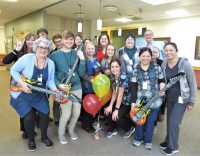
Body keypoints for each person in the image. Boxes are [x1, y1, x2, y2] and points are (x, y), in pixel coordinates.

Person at [10, 37, 56, 151]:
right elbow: (13, 70)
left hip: (39, 95)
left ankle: (44, 137)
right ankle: (31, 139)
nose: (43, 50)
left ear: (48, 50)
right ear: (36, 48)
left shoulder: (50, 63)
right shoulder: (27, 58)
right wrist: (21, 83)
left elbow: (50, 81)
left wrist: (55, 90)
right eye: (40, 47)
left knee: (45, 114)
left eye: (46, 48)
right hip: (24, 94)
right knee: (29, 116)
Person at [160, 42, 197, 155]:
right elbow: (163, 79)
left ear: (176, 51)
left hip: (182, 98)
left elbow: (193, 83)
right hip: (170, 97)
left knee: (174, 122)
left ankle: (173, 147)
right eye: (166, 50)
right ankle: (168, 141)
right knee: (169, 121)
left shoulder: (185, 64)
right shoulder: (164, 64)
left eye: (171, 50)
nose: (169, 52)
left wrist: (192, 101)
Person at [50, 31, 85, 144]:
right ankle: (61, 133)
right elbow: (51, 74)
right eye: (67, 39)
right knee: (66, 113)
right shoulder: (55, 55)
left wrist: (82, 59)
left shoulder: (77, 53)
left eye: (71, 39)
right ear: (62, 40)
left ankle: (70, 129)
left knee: (76, 113)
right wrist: (58, 85)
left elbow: (81, 73)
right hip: (63, 89)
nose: (69, 41)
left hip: (77, 87)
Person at [131, 47, 165, 150]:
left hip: (155, 100)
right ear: (139, 56)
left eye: (148, 56)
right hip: (140, 100)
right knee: (139, 121)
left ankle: (148, 140)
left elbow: (161, 80)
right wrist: (133, 102)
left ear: (151, 57)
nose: (145, 58)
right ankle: (138, 138)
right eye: (143, 56)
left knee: (150, 122)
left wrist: (162, 88)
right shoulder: (136, 69)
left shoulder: (156, 67)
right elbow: (134, 86)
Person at [2, 33, 35, 139]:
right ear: (25, 41)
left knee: (32, 107)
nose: (30, 42)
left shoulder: (37, 52)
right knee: (23, 106)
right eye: (28, 40)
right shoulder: (19, 52)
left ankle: (30, 128)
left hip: (32, 84)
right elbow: (5, 61)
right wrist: (17, 49)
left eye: (33, 40)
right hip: (19, 84)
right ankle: (25, 130)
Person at [104, 58, 135, 139]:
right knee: (107, 111)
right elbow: (114, 92)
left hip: (127, 101)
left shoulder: (123, 77)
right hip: (119, 99)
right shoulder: (112, 76)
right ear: (110, 68)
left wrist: (116, 110)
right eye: (112, 67)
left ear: (120, 67)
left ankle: (129, 127)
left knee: (117, 116)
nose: (114, 69)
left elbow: (120, 94)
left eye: (116, 66)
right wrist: (110, 106)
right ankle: (112, 129)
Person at [81, 42, 102, 133]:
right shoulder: (84, 59)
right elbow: (82, 73)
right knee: (87, 106)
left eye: (92, 48)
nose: (90, 50)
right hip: (87, 86)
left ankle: (90, 122)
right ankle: (86, 125)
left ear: (95, 49)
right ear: (85, 50)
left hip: (96, 86)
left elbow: (99, 69)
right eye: (88, 48)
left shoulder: (96, 58)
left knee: (93, 105)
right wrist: (90, 80)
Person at [50, 34, 63, 125]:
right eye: (56, 42)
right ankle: (57, 118)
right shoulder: (53, 54)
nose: (58, 43)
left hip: (67, 80)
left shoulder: (69, 51)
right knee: (57, 101)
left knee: (66, 100)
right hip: (56, 80)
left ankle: (65, 118)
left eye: (59, 41)